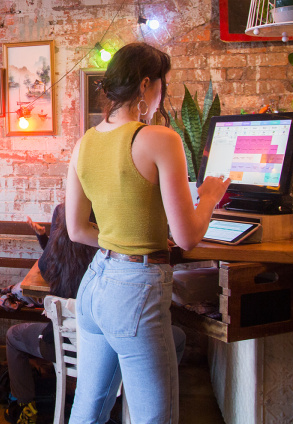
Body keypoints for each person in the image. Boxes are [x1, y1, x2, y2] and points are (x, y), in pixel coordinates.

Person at [65, 43, 230, 424]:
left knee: (88, 411)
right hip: (135, 291)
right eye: (161, 85)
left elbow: (77, 229)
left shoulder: (85, 143)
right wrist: (209, 197)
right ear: (145, 85)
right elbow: (187, 238)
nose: (160, 96)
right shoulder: (160, 138)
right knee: (155, 418)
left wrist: (125, 240)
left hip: (95, 284)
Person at [4, 205, 187, 424]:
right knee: (176, 337)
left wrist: (45, 239)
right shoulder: (116, 255)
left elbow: (45, 267)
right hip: (118, 343)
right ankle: (137, 395)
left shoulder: (64, 239)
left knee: (13, 336)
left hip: (63, 345)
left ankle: (25, 406)